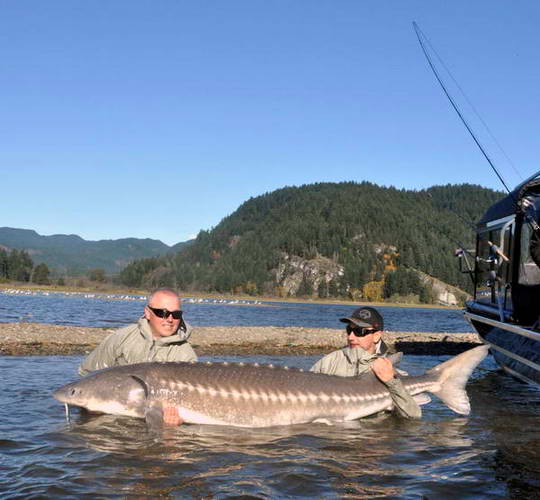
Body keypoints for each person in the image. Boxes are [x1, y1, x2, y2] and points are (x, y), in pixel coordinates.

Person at [78, 287, 197, 425]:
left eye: (176, 314)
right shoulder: (121, 338)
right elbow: (86, 374)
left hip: (152, 417)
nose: (170, 319)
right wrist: (92, 403)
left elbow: (190, 403)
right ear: (147, 312)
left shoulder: (185, 354)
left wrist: (174, 423)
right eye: (162, 313)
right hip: (111, 417)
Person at [310, 306, 421, 419]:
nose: (351, 337)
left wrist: (392, 382)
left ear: (376, 336)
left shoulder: (391, 371)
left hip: (373, 433)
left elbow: (413, 416)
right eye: (349, 330)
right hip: (333, 433)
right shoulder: (328, 362)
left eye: (359, 331)